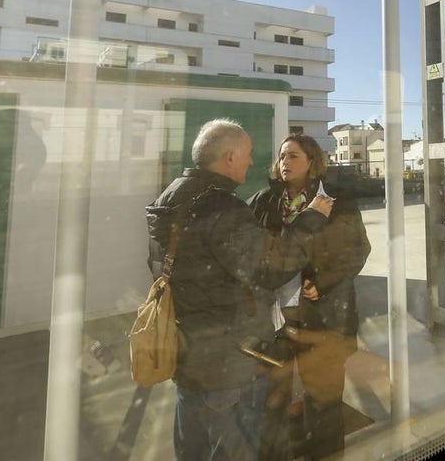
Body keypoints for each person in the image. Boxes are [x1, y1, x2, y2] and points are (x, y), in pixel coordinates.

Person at [146, 119, 334, 461]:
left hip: (189, 356)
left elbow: (164, 266)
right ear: (229, 157)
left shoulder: (172, 197)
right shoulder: (224, 208)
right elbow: (270, 267)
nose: (253, 161)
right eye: (247, 154)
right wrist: (310, 220)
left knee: (193, 448)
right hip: (228, 365)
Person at [250, 133, 371, 460]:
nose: (284, 163)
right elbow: (250, 254)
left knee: (324, 405)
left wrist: (324, 281)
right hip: (274, 321)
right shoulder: (264, 202)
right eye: (281, 157)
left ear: (312, 162)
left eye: (293, 156)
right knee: (271, 405)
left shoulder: (337, 202)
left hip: (323, 321)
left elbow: (358, 250)